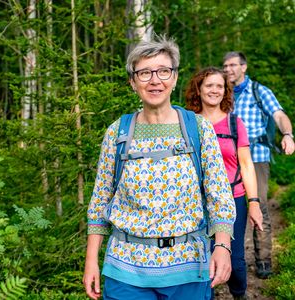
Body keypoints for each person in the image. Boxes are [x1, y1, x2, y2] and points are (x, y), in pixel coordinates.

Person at [82, 35, 236, 300]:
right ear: (132, 82)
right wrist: (91, 260)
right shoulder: (117, 132)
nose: (155, 80)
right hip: (125, 270)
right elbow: (100, 201)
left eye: (163, 71)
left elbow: (219, 195)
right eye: (144, 73)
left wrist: (222, 246)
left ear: (174, 78)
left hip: (188, 267)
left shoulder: (198, 129)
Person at [185, 67, 263, 299]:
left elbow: (246, 164)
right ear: (198, 89)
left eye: (220, 86)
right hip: (196, 201)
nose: (214, 90)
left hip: (233, 197)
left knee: (236, 261)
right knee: (199, 258)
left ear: (226, 91)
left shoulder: (234, 123)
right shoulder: (188, 123)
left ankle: (239, 293)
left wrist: (254, 203)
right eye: (209, 85)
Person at [223, 52, 295, 279]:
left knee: (259, 206)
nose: (228, 70)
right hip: (227, 159)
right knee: (226, 208)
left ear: (244, 67)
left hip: (256, 157)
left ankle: (263, 260)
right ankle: (230, 260)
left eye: (233, 65)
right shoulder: (221, 92)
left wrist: (288, 134)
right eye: (225, 66)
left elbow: (279, 114)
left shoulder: (259, 91)